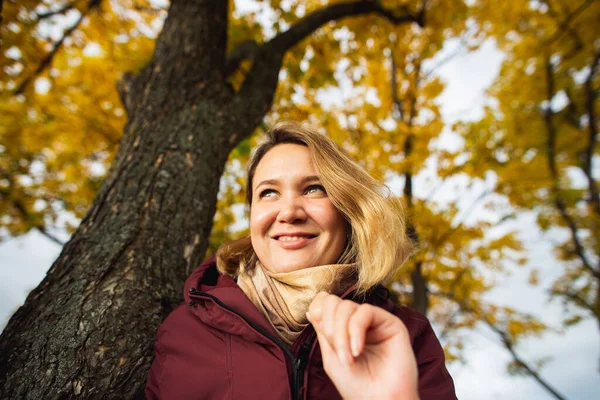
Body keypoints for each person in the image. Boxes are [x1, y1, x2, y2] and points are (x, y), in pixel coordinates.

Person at [145, 121, 456, 399]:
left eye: (313, 189)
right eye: (268, 193)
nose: (289, 212)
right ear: (252, 215)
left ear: (347, 210)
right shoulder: (182, 332)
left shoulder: (404, 334)